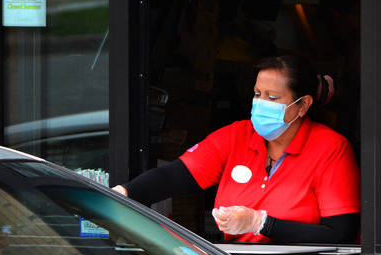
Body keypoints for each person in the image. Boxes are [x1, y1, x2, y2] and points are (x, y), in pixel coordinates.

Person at [113, 54, 360, 244]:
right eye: (257, 94)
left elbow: (340, 234)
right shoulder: (237, 135)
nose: (261, 104)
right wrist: (124, 193)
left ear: (303, 105)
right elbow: (174, 176)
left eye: (272, 98)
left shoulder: (331, 148)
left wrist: (261, 223)